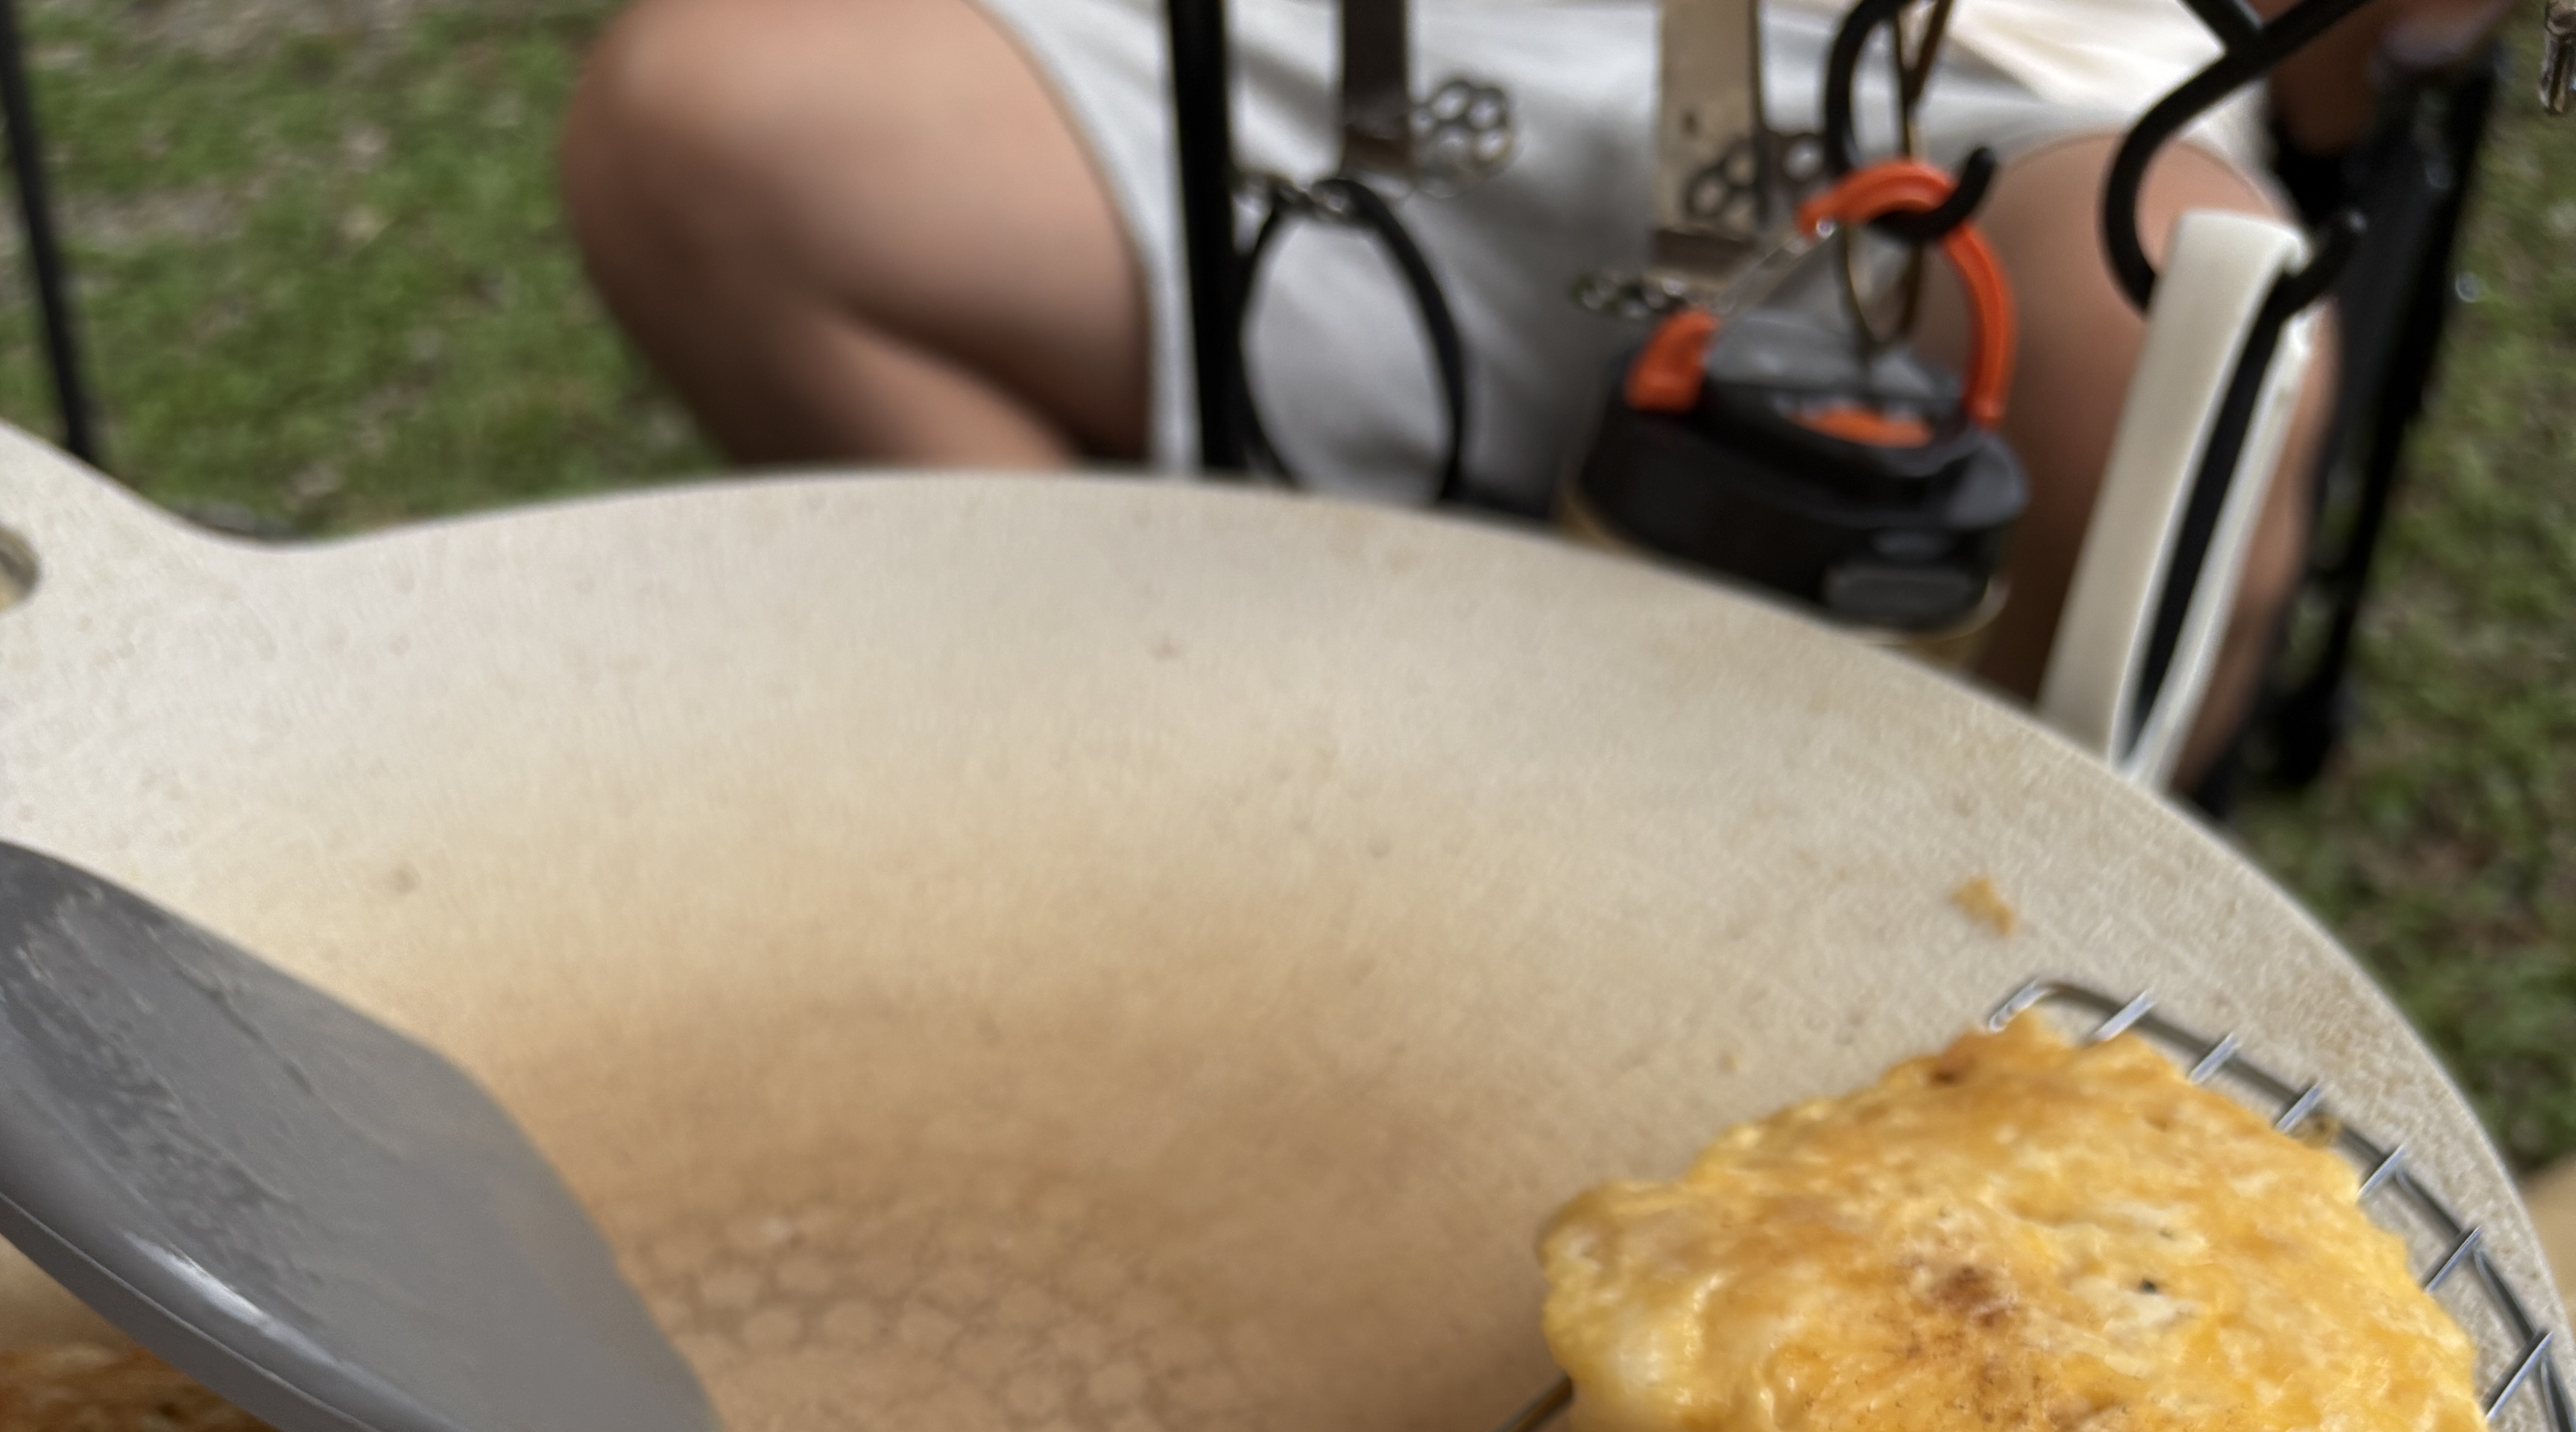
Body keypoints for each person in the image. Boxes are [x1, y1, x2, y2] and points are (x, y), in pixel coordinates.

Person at [559, 0, 2511, 771]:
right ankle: (1181, 793)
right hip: (1400, 48)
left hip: (1982, 67)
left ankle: (1931, 1045)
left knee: (2192, 352)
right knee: (716, 134)